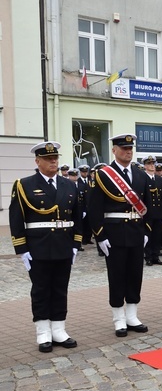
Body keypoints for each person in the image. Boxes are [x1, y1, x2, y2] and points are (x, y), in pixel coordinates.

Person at [9, 141, 83, 352]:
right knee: (41, 289)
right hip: (38, 246)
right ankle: (43, 332)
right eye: (48, 159)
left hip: (63, 244)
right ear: (37, 161)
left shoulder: (69, 184)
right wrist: (22, 249)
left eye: (55, 158)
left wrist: (76, 243)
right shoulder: (24, 185)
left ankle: (59, 329)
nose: (53, 161)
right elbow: (16, 218)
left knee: (60, 288)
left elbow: (77, 216)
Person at [88, 133, 151, 337]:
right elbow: (94, 207)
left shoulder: (140, 174)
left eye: (130, 148)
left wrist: (147, 231)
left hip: (135, 231)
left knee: (135, 274)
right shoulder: (104, 174)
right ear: (114, 150)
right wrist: (100, 235)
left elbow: (148, 205)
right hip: (114, 233)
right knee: (116, 276)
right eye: (123, 148)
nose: (128, 151)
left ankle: (132, 316)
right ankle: (118, 318)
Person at [142, 155, 162, 266]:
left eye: (153, 164)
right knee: (148, 236)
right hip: (148, 213)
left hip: (159, 212)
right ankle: (148, 257)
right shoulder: (143, 178)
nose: (152, 166)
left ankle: (156, 256)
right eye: (149, 164)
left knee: (157, 235)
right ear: (145, 166)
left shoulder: (160, 179)